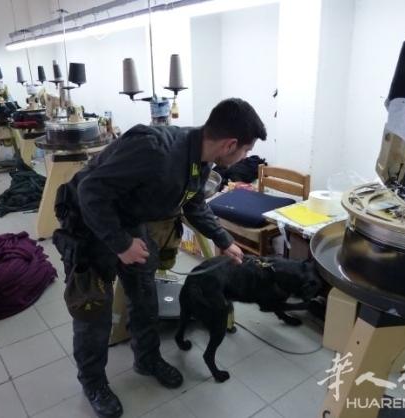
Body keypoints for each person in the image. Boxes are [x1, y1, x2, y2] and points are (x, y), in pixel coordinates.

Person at [54, 97, 267, 418]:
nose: (245, 157)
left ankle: (147, 358)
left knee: (144, 294)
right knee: (93, 310)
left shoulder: (200, 159)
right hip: (87, 221)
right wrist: (121, 244)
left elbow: (193, 202)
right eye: (245, 151)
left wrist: (223, 240)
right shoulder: (153, 150)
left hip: (128, 220)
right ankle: (93, 381)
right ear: (229, 144)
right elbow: (90, 192)